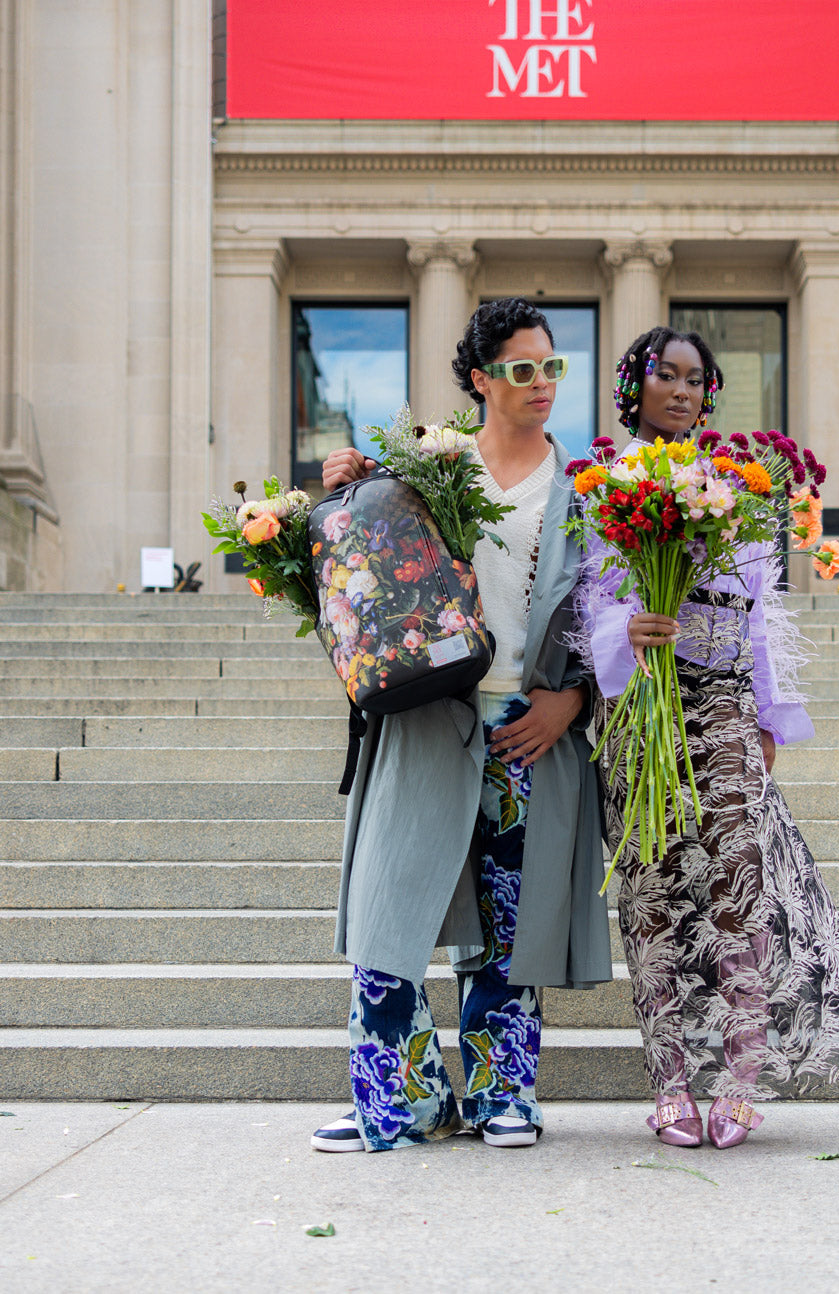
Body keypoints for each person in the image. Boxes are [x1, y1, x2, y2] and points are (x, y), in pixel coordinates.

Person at [311, 297, 611, 1154]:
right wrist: (350, 488)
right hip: (427, 717)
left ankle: (500, 1095)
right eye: (523, 370)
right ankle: (396, 1097)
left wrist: (574, 700)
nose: (543, 384)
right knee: (387, 915)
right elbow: (371, 568)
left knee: (509, 929)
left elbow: (612, 614)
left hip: (531, 726)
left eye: (553, 367)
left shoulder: (584, 490)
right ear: (481, 380)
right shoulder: (428, 472)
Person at [576, 325, 839, 1150]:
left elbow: (758, 613)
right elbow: (587, 598)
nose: (681, 391)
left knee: (737, 877)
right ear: (633, 387)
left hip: (719, 701)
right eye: (665, 376)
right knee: (648, 885)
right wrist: (623, 632)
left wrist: (768, 714)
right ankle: (670, 1082)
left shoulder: (734, 488)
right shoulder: (603, 486)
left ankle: (744, 1074)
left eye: (694, 379)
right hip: (637, 701)